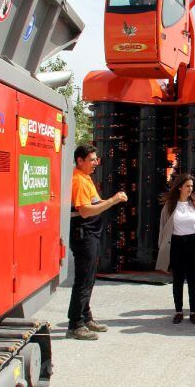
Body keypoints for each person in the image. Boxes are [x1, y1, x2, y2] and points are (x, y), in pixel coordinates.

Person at [67, 145, 128, 340]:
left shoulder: (86, 178)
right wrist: (113, 200)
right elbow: (85, 211)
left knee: (90, 278)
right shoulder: (77, 180)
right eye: (92, 160)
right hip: (83, 234)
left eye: (96, 159)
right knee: (83, 280)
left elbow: (94, 203)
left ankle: (86, 317)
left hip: (91, 234)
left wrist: (108, 202)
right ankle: (75, 324)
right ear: (80, 161)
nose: (96, 163)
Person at [156, 174, 195, 325]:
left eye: (192, 186)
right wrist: (162, 248)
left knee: (193, 279)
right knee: (178, 280)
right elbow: (163, 227)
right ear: (180, 187)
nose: (190, 189)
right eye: (187, 186)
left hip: (194, 244)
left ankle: (193, 312)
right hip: (176, 244)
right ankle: (178, 311)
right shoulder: (170, 206)